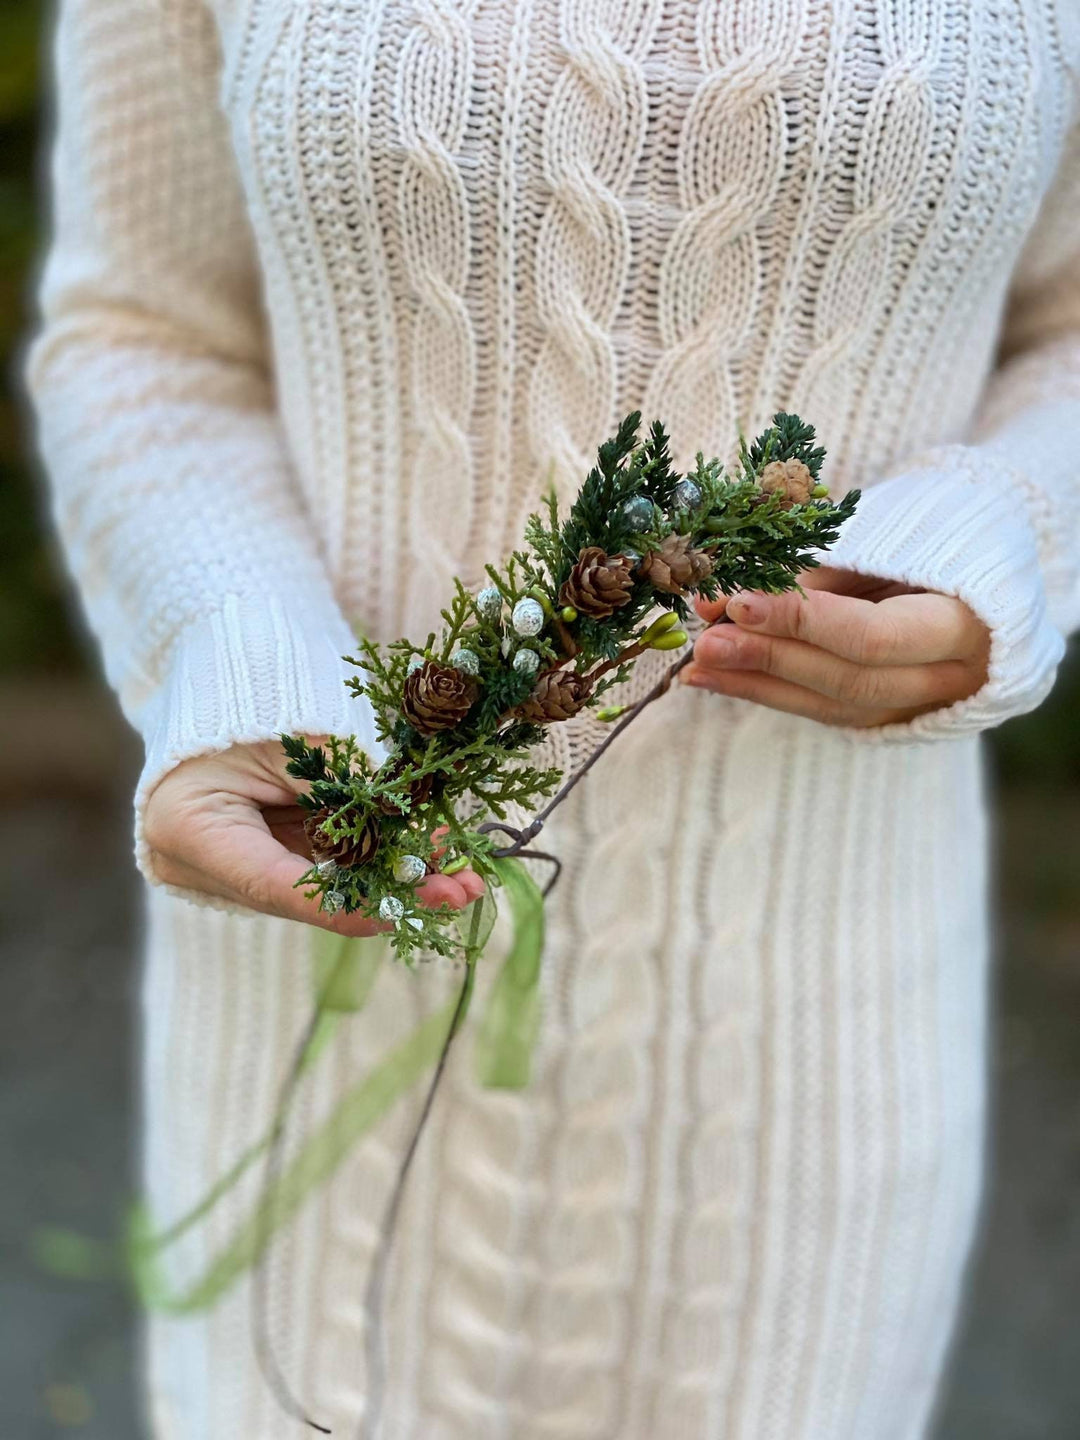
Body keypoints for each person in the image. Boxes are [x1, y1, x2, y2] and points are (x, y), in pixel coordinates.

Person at [25, 1, 1079, 1435]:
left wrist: (999, 535)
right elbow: (141, 333)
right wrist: (239, 647)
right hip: (314, 981)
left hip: (807, 1045)